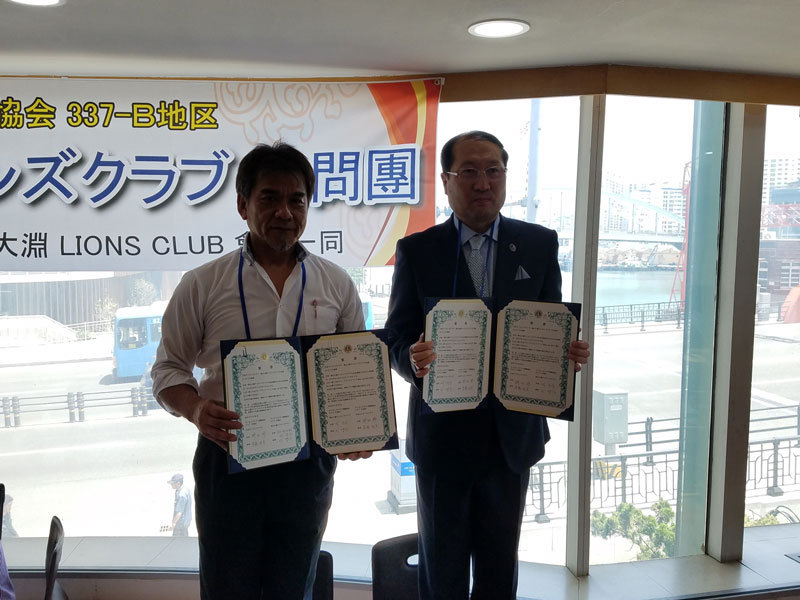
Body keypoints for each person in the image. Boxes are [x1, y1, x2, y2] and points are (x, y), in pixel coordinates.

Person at [151, 142, 369, 600]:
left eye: (296, 200)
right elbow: (168, 371)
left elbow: (354, 373)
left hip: (307, 466)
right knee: (227, 588)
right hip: (228, 459)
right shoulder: (203, 284)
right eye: (269, 198)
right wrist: (196, 410)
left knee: (294, 586)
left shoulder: (336, 283)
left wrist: (356, 430)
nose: (284, 212)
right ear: (242, 205)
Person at [385, 130, 591, 599]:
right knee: (442, 572)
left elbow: (552, 320)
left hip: (510, 439)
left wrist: (567, 353)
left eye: (493, 170)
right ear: (447, 180)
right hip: (442, 440)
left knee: (500, 570)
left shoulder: (538, 243)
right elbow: (396, 335)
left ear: (505, 176)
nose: (483, 182)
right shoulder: (418, 250)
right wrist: (410, 360)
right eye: (470, 172)